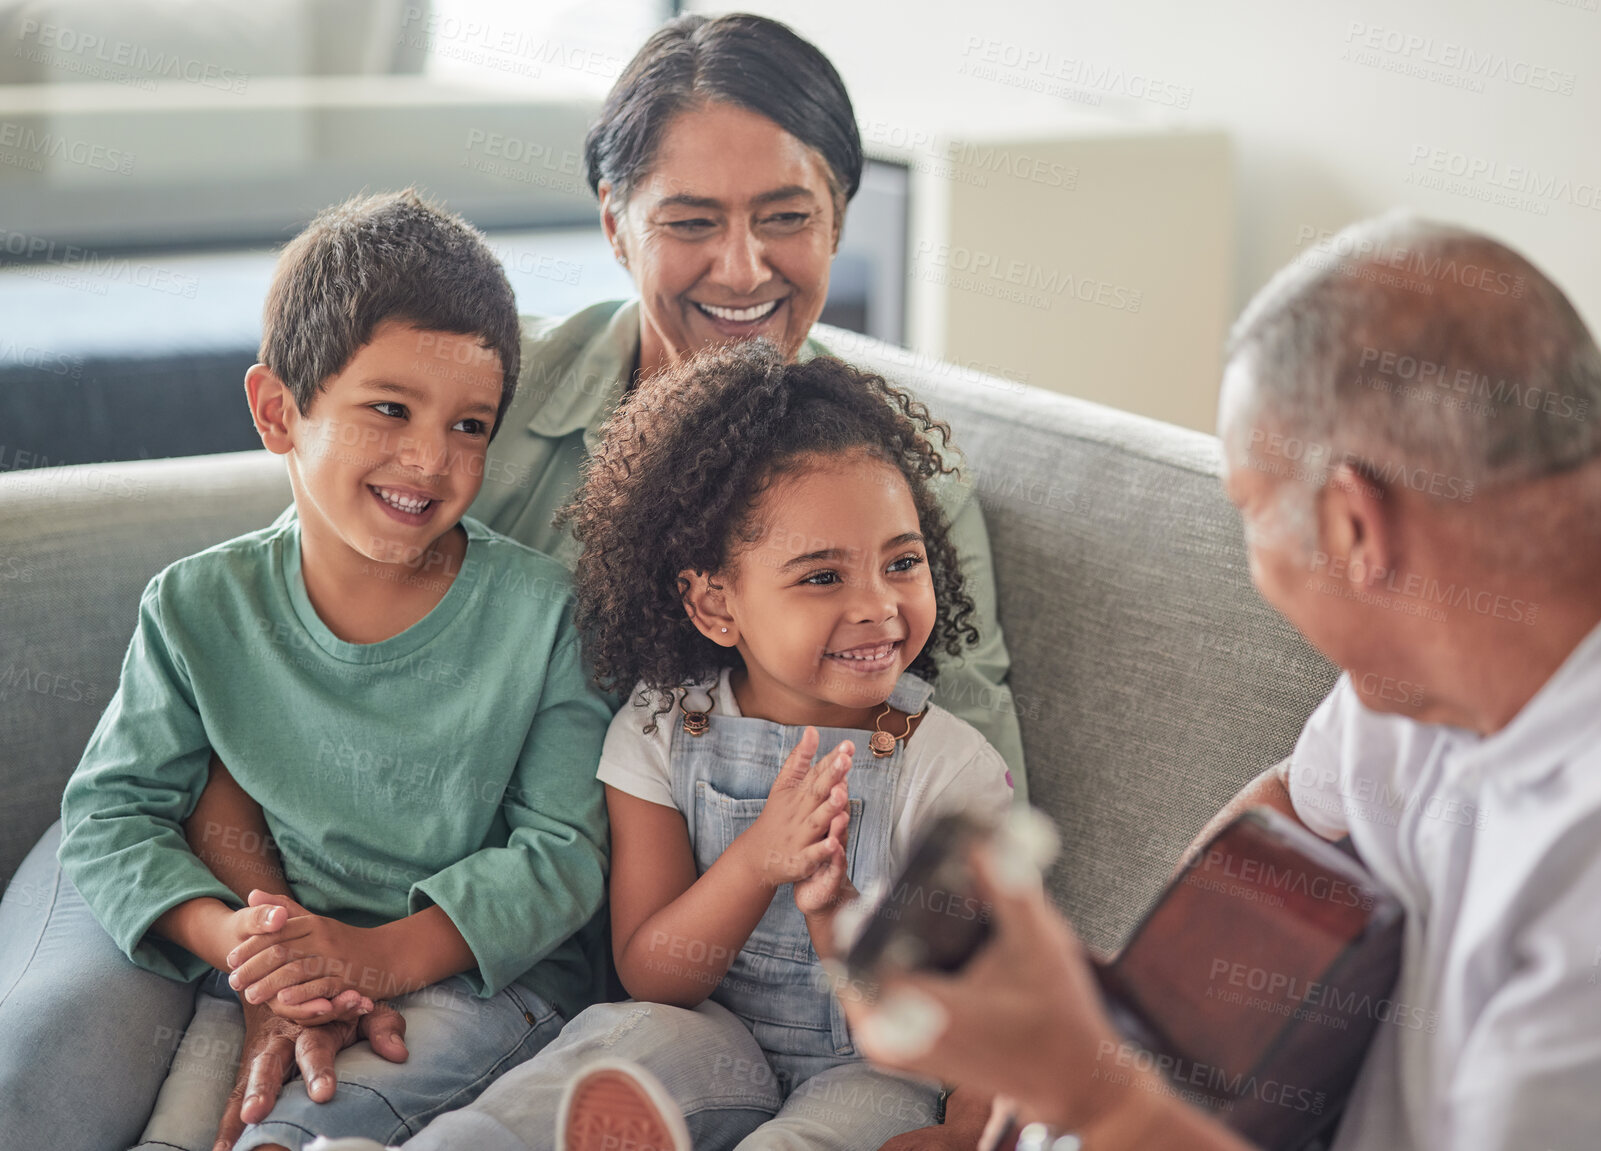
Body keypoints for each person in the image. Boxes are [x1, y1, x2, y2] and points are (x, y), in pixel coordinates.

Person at [0, 14, 1021, 1151]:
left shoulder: (889, 480)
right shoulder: (480, 387)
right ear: (616, 226)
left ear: (839, 215)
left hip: (494, 947)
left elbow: (966, 795)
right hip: (235, 875)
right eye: (691, 222)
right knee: (38, 1075)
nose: (745, 267)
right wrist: (269, 940)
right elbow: (263, 657)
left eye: (788, 217)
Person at [841, 214, 1601, 1150]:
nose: (1253, 556)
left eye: (1249, 512)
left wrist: (1100, 1100)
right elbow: (1293, 818)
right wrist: (1122, 1019)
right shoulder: (1441, 657)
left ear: (1355, 527)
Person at [52, 189, 616, 1151]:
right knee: (194, 1133)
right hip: (267, 969)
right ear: (279, 411)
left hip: (483, 983)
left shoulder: (546, 613)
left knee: (298, 1132)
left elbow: (564, 853)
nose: (429, 458)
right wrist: (243, 947)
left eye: (470, 425)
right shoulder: (196, 609)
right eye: (389, 408)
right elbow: (110, 815)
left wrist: (377, 957)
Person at [375, 344, 1009, 1151]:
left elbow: (958, 1017)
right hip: (707, 1033)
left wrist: (831, 915)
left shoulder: (949, 771)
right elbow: (654, 970)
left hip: (876, 1066)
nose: (877, 605)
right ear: (714, 603)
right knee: (601, 1062)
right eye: (821, 576)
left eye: (902, 561)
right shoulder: (661, 729)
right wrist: (757, 861)